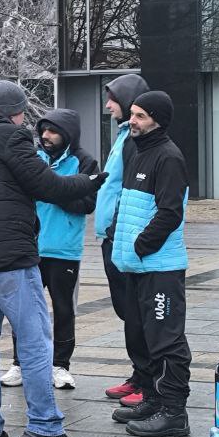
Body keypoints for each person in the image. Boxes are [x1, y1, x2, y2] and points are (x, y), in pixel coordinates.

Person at [0, 81, 105, 437]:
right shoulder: (10, 137)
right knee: (35, 340)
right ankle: (45, 426)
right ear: (14, 111)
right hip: (10, 257)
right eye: (22, 113)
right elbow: (45, 184)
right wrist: (89, 180)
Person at [109, 91, 192, 437]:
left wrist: (141, 245)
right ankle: (154, 399)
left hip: (159, 266)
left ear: (158, 119)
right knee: (144, 335)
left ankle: (174, 412)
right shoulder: (139, 152)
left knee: (166, 340)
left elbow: (170, 212)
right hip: (138, 266)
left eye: (141, 116)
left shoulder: (168, 157)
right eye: (132, 114)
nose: (133, 120)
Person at [0, 109, 99, 391]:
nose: (45, 137)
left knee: (64, 309)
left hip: (64, 251)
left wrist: (55, 190)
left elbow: (87, 203)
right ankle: (19, 363)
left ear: (67, 134)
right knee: (22, 310)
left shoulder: (85, 162)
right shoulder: (33, 158)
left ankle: (60, 366)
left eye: (52, 131)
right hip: (29, 248)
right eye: (42, 131)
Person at [95, 74, 152, 406]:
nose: (107, 105)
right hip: (110, 237)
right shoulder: (122, 136)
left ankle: (147, 379)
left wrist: (118, 230)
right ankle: (139, 374)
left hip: (120, 238)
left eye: (113, 98)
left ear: (130, 100)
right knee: (126, 310)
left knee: (134, 311)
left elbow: (130, 189)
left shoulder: (131, 141)